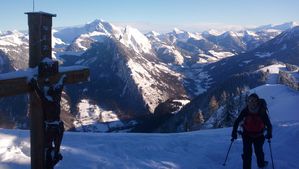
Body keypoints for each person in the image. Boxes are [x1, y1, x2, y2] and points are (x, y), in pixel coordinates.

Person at [29, 75, 66, 169]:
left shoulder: (48, 100)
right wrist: (63, 79)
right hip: (57, 127)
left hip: (52, 127)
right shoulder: (54, 99)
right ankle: (52, 159)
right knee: (52, 148)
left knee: (48, 147)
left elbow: (41, 94)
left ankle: (51, 159)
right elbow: (60, 87)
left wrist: (35, 85)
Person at [231, 93, 272, 169]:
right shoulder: (246, 111)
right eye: (249, 100)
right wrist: (234, 132)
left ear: (257, 101)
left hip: (257, 135)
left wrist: (269, 133)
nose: (251, 102)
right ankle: (260, 165)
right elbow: (237, 121)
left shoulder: (261, 111)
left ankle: (261, 165)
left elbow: (268, 124)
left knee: (258, 152)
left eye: (253, 100)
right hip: (248, 135)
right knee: (248, 153)